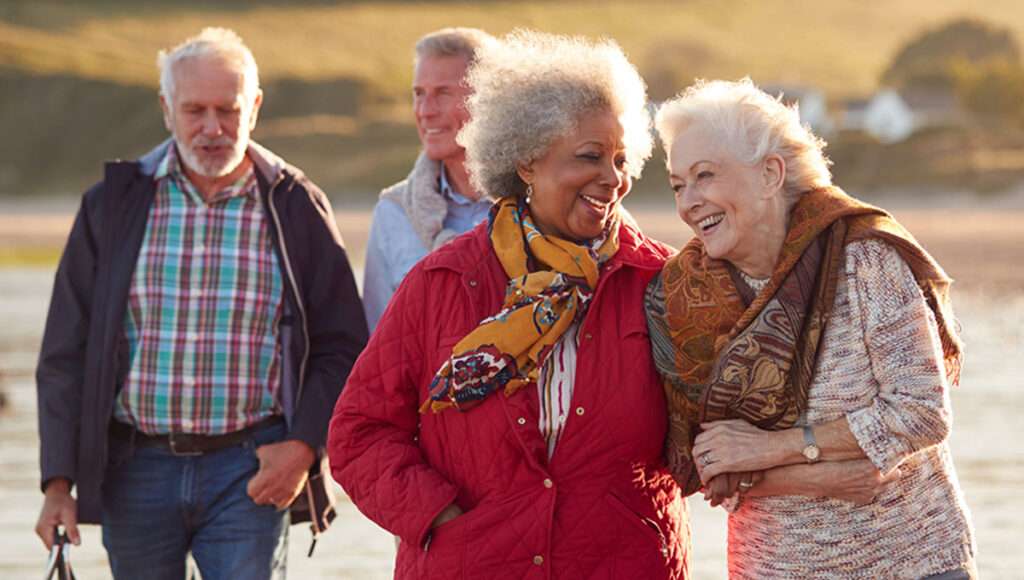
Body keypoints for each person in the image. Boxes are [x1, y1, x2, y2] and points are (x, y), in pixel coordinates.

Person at [329, 31, 689, 579]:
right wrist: (437, 515)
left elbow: (714, 429)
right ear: (526, 162)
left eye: (621, 159)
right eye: (590, 157)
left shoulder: (660, 281)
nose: (613, 179)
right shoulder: (441, 281)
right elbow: (360, 431)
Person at [33, 28, 368, 579]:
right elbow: (64, 354)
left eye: (227, 109)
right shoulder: (112, 204)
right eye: (194, 110)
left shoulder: (295, 204)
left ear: (253, 108)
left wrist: (304, 447)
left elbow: (343, 345)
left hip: (252, 470)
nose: (212, 128)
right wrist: (57, 484)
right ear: (167, 110)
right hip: (133, 471)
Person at [646, 78, 976, 578]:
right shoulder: (682, 295)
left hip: (912, 562)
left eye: (705, 175)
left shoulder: (863, 259)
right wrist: (829, 477)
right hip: (773, 567)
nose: (688, 201)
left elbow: (921, 411)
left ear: (770, 173)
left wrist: (772, 449)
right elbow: (705, 464)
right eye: (677, 185)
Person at [362, 27, 497, 330]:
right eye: (419, 94)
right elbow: (378, 340)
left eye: (443, 93)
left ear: (489, 100)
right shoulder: (393, 213)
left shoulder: (542, 206)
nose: (425, 111)